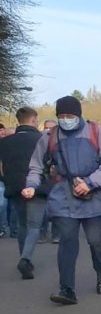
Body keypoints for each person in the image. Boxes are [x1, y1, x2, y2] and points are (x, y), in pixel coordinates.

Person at [23, 96, 101, 305]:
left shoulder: (97, 132)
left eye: (70, 116)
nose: (66, 119)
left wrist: (91, 182)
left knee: (96, 240)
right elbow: (36, 166)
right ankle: (67, 288)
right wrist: (31, 185)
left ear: (79, 115)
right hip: (63, 195)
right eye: (61, 116)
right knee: (67, 241)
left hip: (93, 194)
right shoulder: (49, 137)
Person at [0, 107, 47, 278]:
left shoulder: (5, 142)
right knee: (34, 225)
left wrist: (7, 181)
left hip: (15, 187)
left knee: (22, 225)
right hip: (38, 186)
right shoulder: (42, 139)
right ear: (34, 120)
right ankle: (25, 259)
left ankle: (24, 257)